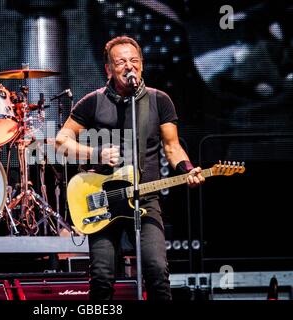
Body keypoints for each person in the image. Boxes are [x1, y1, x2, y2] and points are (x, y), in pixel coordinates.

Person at [55, 36, 205, 300]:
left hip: (145, 197)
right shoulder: (93, 102)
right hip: (103, 199)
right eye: (121, 62)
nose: (129, 67)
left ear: (142, 65)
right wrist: (95, 152)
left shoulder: (160, 101)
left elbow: (172, 147)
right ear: (108, 69)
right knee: (102, 277)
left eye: (134, 61)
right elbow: (61, 141)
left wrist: (188, 169)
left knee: (157, 271)